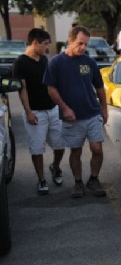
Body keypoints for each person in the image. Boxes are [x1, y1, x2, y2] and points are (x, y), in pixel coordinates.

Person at [43, 26, 108, 198]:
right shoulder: (56, 62)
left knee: (97, 149)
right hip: (72, 117)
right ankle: (78, 182)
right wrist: (65, 108)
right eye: (80, 43)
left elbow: (99, 87)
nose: (83, 48)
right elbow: (51, 89)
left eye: (86, 44)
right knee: (76, 151)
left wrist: (104, 108)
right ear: (70, 41)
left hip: (92, 113)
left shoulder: (89, 62)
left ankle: (94, 179)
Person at [12, 28, 65, 195]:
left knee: (60, 144)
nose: (47, 48)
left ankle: (55, 167)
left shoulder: (44, 60)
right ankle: (41, 179)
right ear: (35, 43)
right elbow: (23, 89)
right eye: (45, 44)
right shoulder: (20, 63)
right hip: (35, 112)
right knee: (37, 149)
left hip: (52, 110)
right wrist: (28, 112)